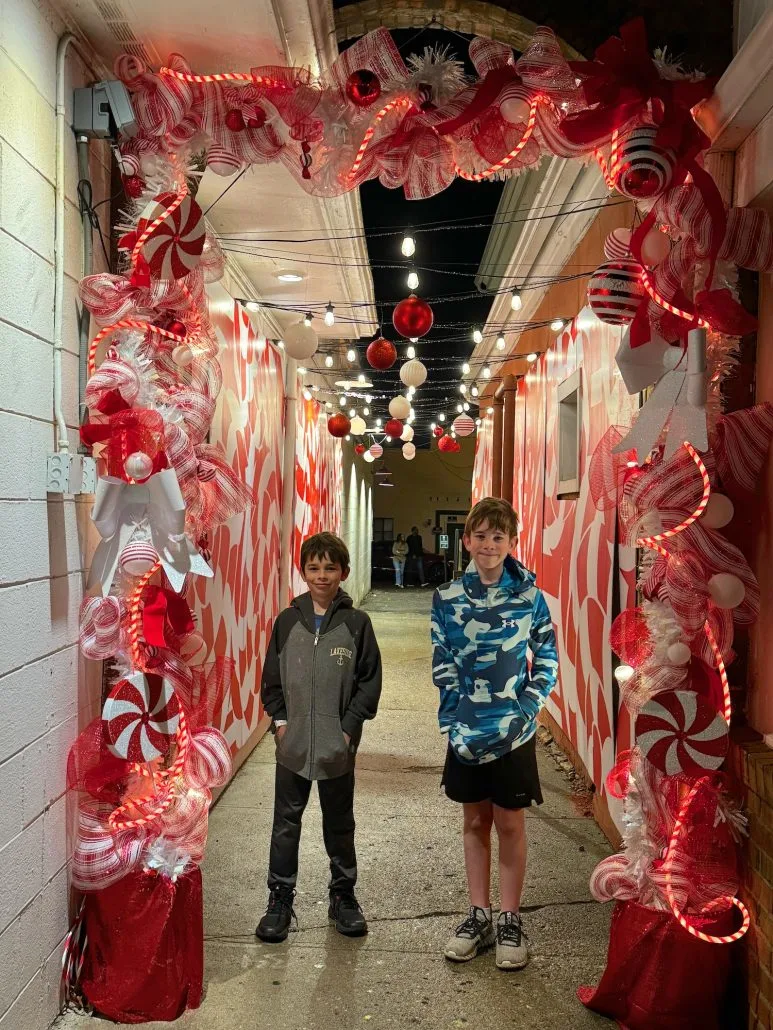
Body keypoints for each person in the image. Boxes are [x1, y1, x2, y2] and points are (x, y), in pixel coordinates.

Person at [430, 497, 558, 971]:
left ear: (510, 543)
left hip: (515, 732)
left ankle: (509, 919)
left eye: (497, 537)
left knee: (510, 824)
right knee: (474, 822)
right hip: (465, 729)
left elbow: (546, 657)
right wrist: (451, 718)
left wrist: (528, 707)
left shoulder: (529, 598)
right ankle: (478, 915)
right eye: (480, 536)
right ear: (466, 540)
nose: (488, 544)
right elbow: (441, 660)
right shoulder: (446, 598)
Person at [257, 531, 382, 944]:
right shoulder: (287, 621)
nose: (322, 575)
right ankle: (279, 898)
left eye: (330, 567)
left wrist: (348, 729)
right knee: (285, 823)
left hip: (335, 748)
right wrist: (280, 724)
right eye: (314, 567)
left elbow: (369, 682)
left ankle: (343, 896)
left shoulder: (356, 624)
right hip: (292, 748)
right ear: (303, 571)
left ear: (343, 572)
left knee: (339, 823)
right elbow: (271, 680)